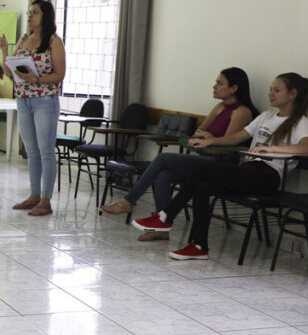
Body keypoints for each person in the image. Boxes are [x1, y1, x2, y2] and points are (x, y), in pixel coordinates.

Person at [133, 72, 308, 260]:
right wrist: (209, 142)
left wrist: (272, 149)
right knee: (202, 186)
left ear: (293, 94)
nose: (271, 94)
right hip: (248, 171)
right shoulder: (266, 116)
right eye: (270, 89)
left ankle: (166, 217)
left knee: (202, 170)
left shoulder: (301, 122)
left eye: (277, 90)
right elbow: (236, 138)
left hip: (267, 177)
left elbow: (307, 148)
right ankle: (198, 245)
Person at [101, 67, 258, 241]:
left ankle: (128, 201)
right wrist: (207, 139)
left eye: (219, 83)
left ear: (234, 88)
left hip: (222, 165)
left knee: (163, 158)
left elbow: (226, 145)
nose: (214, 86)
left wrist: (208, 139)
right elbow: (199, 131)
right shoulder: (220, 107)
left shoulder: (242, 112)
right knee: (163, 176)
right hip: (205, 159)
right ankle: (161, 229)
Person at [0, 0, 67, 216]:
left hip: (45, 100)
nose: (29, 15)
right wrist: (5, 51)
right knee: (32, 151)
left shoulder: (54, 41)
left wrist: (35, 80)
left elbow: (59, 75)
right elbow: (8, 72)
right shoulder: (24, 39)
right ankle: (35, 195)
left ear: (46, 16)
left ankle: (46, 200)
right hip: (23, 99)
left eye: (34, 12)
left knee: (46, 151)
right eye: (29, 12)